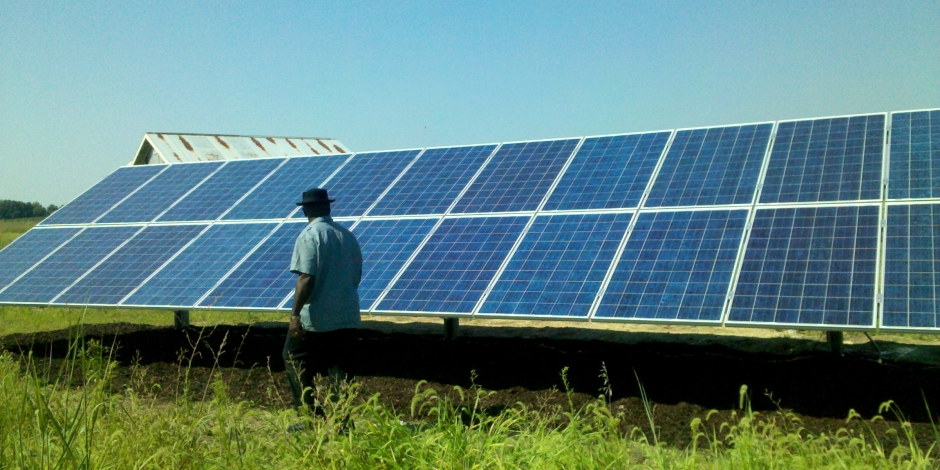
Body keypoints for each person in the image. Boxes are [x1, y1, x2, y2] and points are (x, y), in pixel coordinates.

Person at [283, 187, 363, 420]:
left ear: (306, 210)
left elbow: (306, 277)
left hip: (316, 318)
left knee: (294, 358)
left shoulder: (309, 235)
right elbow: (356, 275)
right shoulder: (347, 235)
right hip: (347, 314)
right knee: (340, 369)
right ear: (328, 207)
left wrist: (295, 316)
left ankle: (310, 416)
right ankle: (342, 422)